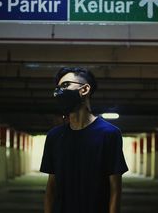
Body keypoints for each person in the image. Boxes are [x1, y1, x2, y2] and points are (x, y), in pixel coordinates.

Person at [40, 67, 128, 213]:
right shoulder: (54, 137)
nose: (59, 92)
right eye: (58, 88)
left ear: (85, 89)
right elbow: (51, 188)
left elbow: (115, 189)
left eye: (65, 85)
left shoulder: (110, 134)